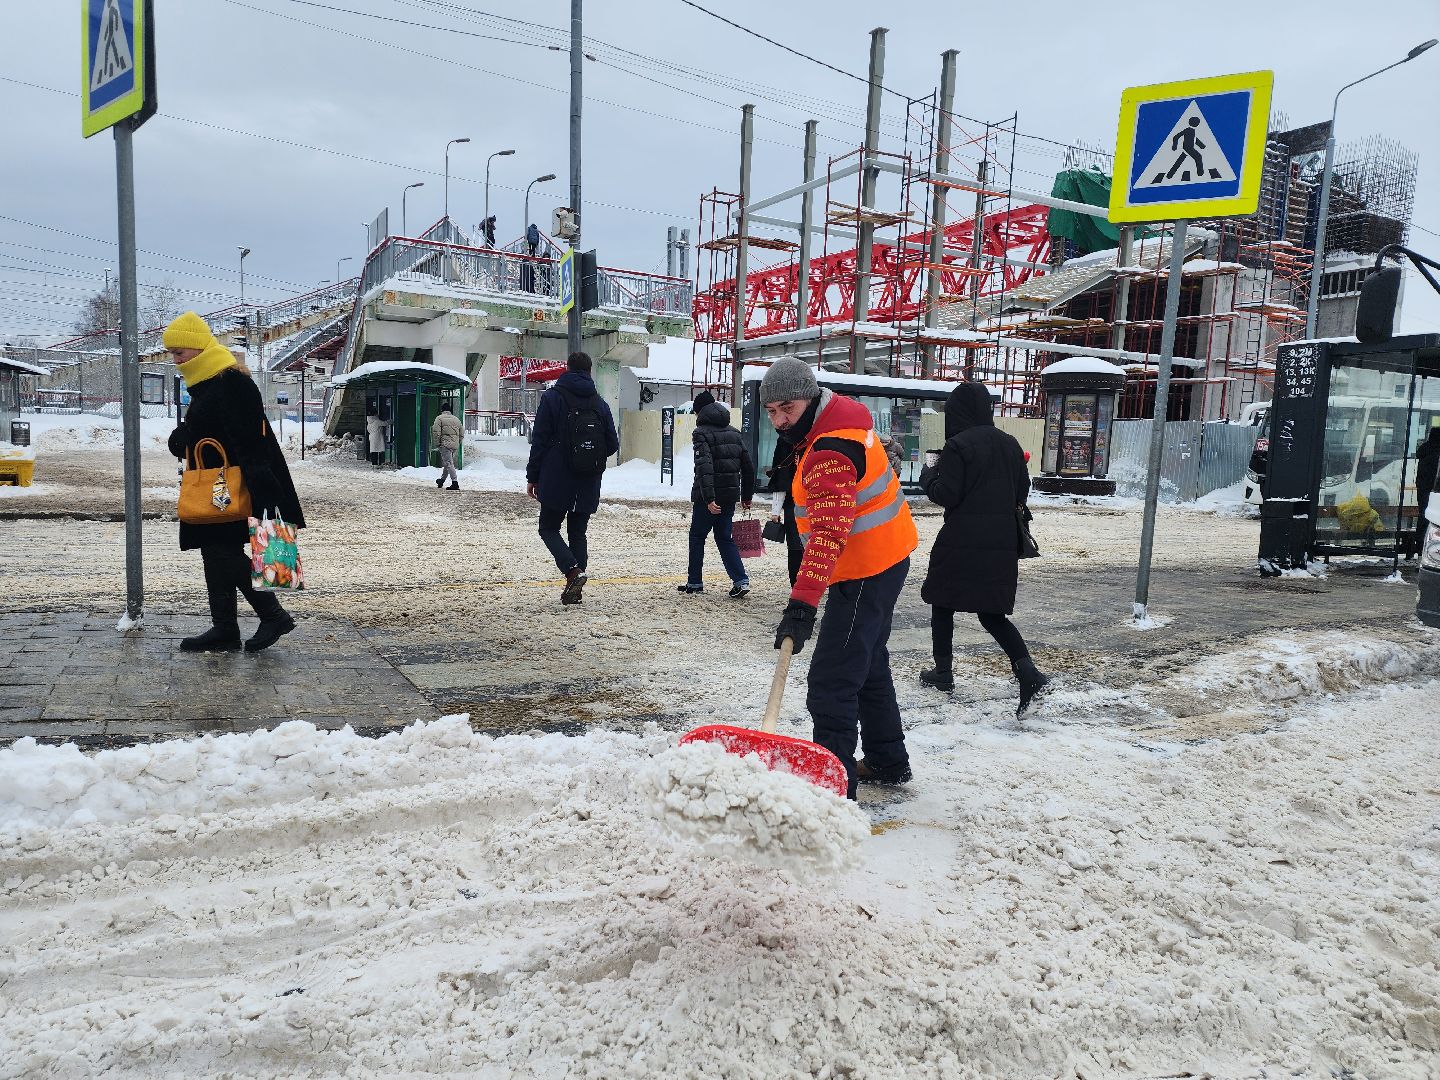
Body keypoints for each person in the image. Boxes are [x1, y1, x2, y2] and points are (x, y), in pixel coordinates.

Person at [762, 357, 919, 799]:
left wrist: (801, 606)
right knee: (866, 664)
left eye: (787, 408)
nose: (780, 420)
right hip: (887, 556)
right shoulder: (836, 420)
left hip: (865, 568)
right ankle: (887, 759)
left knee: (831, 682)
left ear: (810, 399)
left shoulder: (830, 450)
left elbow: (829, 535)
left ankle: (834, 793)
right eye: (772, 411)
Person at [163, 312, 305, 653]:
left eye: (179, 352)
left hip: (236, 484)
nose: (175, 360)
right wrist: (185, 436)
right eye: (173, 354)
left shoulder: (230, 382)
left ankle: (272, 615)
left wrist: (264, 489)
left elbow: (250, 437)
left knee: (223, 552)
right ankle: (224, 628)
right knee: (213, 551)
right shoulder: (207, 382)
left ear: (199, 348)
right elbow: (212, 429)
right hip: (214, 486)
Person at [918, 381, 1048, 714]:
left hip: (961, 539)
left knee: (942, 602)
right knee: (992, 613)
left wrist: (928, 476)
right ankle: (1028, 672)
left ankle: (943, 673)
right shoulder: (1010, 443)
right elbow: (1022, 490)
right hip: (1001, 541)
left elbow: (947, 494)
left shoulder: (957, 445)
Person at [526, 352, 619, 605]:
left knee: (548, 528)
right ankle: (575, 585)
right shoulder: (600, 403)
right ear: (589, 371)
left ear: (567, 369)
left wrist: (533, 476)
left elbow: (539, 440)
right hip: (588, 479)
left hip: (556, 477)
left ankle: (572, 571)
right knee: (578, 532)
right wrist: (588, 455)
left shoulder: (552, 398)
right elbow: (612, 444)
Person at [681, 390, 755, 598]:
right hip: (730, 496)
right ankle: (741, 580)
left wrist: (709, 499)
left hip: (709, 497)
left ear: (700, 412)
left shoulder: (701, 433)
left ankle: (695, 582)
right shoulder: (735, 433)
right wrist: (746, 497)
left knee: (697, 536)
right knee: (724, 537)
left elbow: (704, 467)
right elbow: (748, 467)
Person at [766, 438, 805, 586]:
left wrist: (775, 511)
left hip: (795, 504)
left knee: (796, 547)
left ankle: (798, 585)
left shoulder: (786, 439)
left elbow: (781, 476)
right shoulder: (820, 437)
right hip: (816, 502)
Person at [1415, 422, 1440, 550]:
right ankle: (1428, 546)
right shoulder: (1436, 454)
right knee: (1433, 518)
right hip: (1433, 491)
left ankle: (1420, 544)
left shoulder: (1424, 451)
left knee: (1423, 516)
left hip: (1423, 490)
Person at [430, 401, 463, 491]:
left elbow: (436, 432)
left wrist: (438, 444)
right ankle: (442, 480)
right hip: (454, 445)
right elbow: (461, 433)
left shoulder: (439, 418)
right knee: (447, 463)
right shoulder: (456, 419)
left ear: (442, 410)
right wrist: (457, 442)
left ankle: (455, 482)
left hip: (445, 444)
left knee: (448, 463)